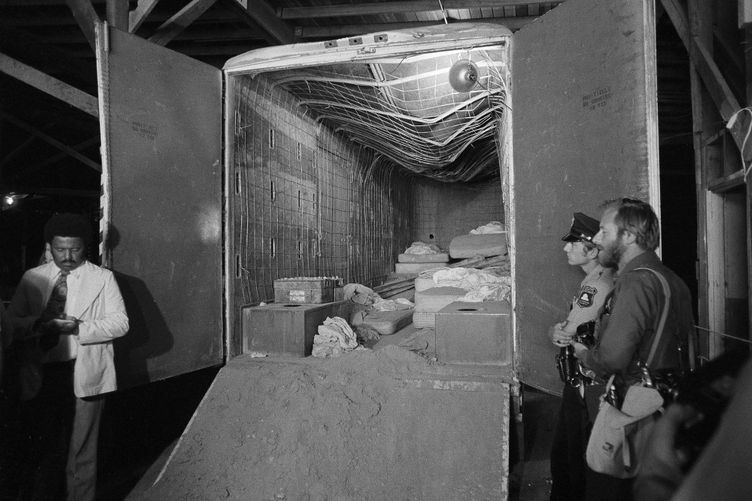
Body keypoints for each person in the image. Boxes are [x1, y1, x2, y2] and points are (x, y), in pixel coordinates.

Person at [572, 198, 694, 501]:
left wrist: (584, 354)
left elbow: (613, 357)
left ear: (627, 236)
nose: (597, 240)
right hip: (666, 405)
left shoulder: (636, 282)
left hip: (635, 411)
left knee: (609, 487)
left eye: (603, 231)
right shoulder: (671, 279)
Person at [5, 213, 129, 500]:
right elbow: (11, 323)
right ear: (49, 246)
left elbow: (121, 323)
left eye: (75, 249)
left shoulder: (103, 279)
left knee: (82, 450)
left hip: (83, 372)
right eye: (61, 250)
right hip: (42, 374)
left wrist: (80, 327)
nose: (68, 256)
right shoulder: (33, 278)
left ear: (85, 247)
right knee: (45, 447)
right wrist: (39, 324)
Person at [549, 212, 615, 501]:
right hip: (588, 383)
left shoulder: (596, 285)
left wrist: (556, 330)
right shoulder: (599, 279)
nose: (566, 248)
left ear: (591, 248)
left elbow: (569, 332)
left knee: (573, 459)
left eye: (573, 243)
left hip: (585, 385)